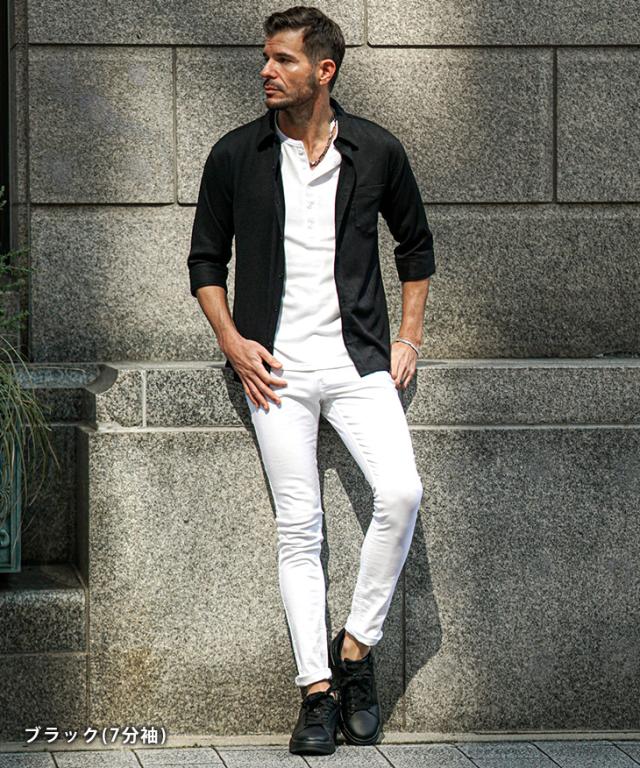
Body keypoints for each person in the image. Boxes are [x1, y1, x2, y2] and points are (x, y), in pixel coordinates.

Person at [187, 5, 435, 756]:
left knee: (402, 493)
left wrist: (409, 336)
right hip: (276, 372)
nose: (267, 70)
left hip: (359, 364)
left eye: (283, 59)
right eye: (266, 57)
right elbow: (205, 260)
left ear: (323, 71)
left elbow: (415, 247)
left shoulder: (376, 150)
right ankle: (317, 693)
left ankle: (355, 650)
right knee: (300, 529)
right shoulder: (236, 155)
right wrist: (233, 343)